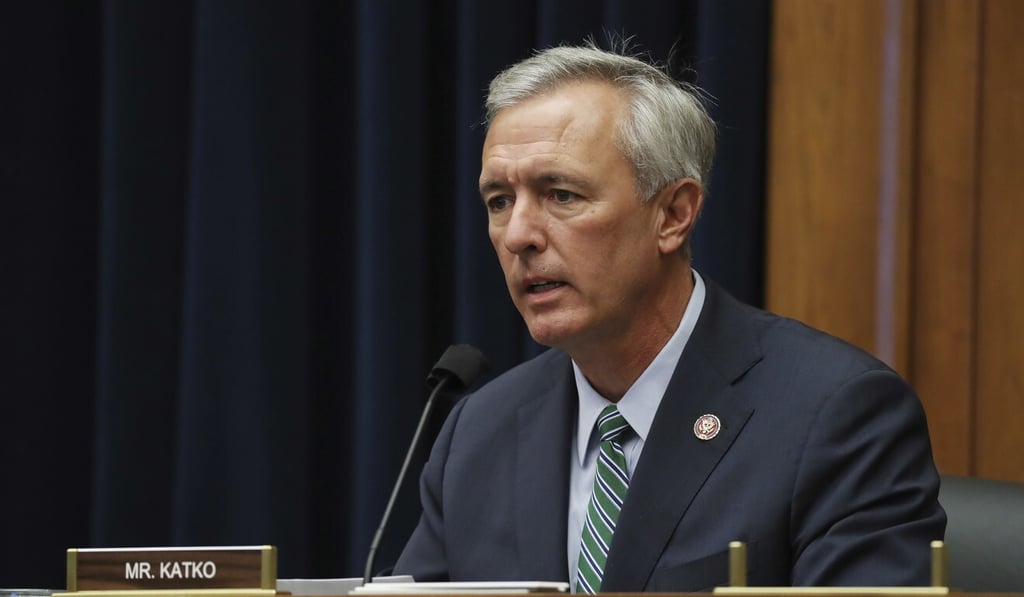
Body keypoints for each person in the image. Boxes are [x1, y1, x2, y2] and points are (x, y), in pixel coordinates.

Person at [393, 43, 946, 591]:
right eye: (499, 201)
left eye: (560, 194)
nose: (518, 235)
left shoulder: (836, 415)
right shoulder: (478, 432)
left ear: (674, 215)